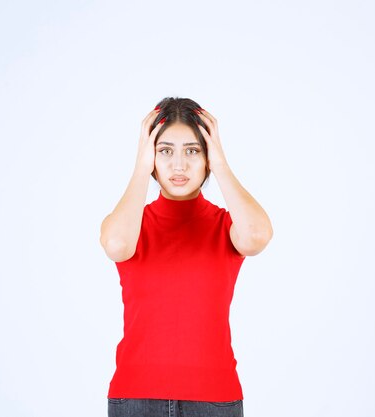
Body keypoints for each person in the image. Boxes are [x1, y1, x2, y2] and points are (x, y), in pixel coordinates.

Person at [99, 97, 273, 417]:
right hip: (135, 398)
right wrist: (140, 167)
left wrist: (219, 163)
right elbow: (116, 245)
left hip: (215, 399)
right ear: (150, 156)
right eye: (165, 151)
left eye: (192, 151)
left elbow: (256, 237)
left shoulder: (226, 225)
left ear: (207, 155)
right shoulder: (133, 225)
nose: (179, 165)